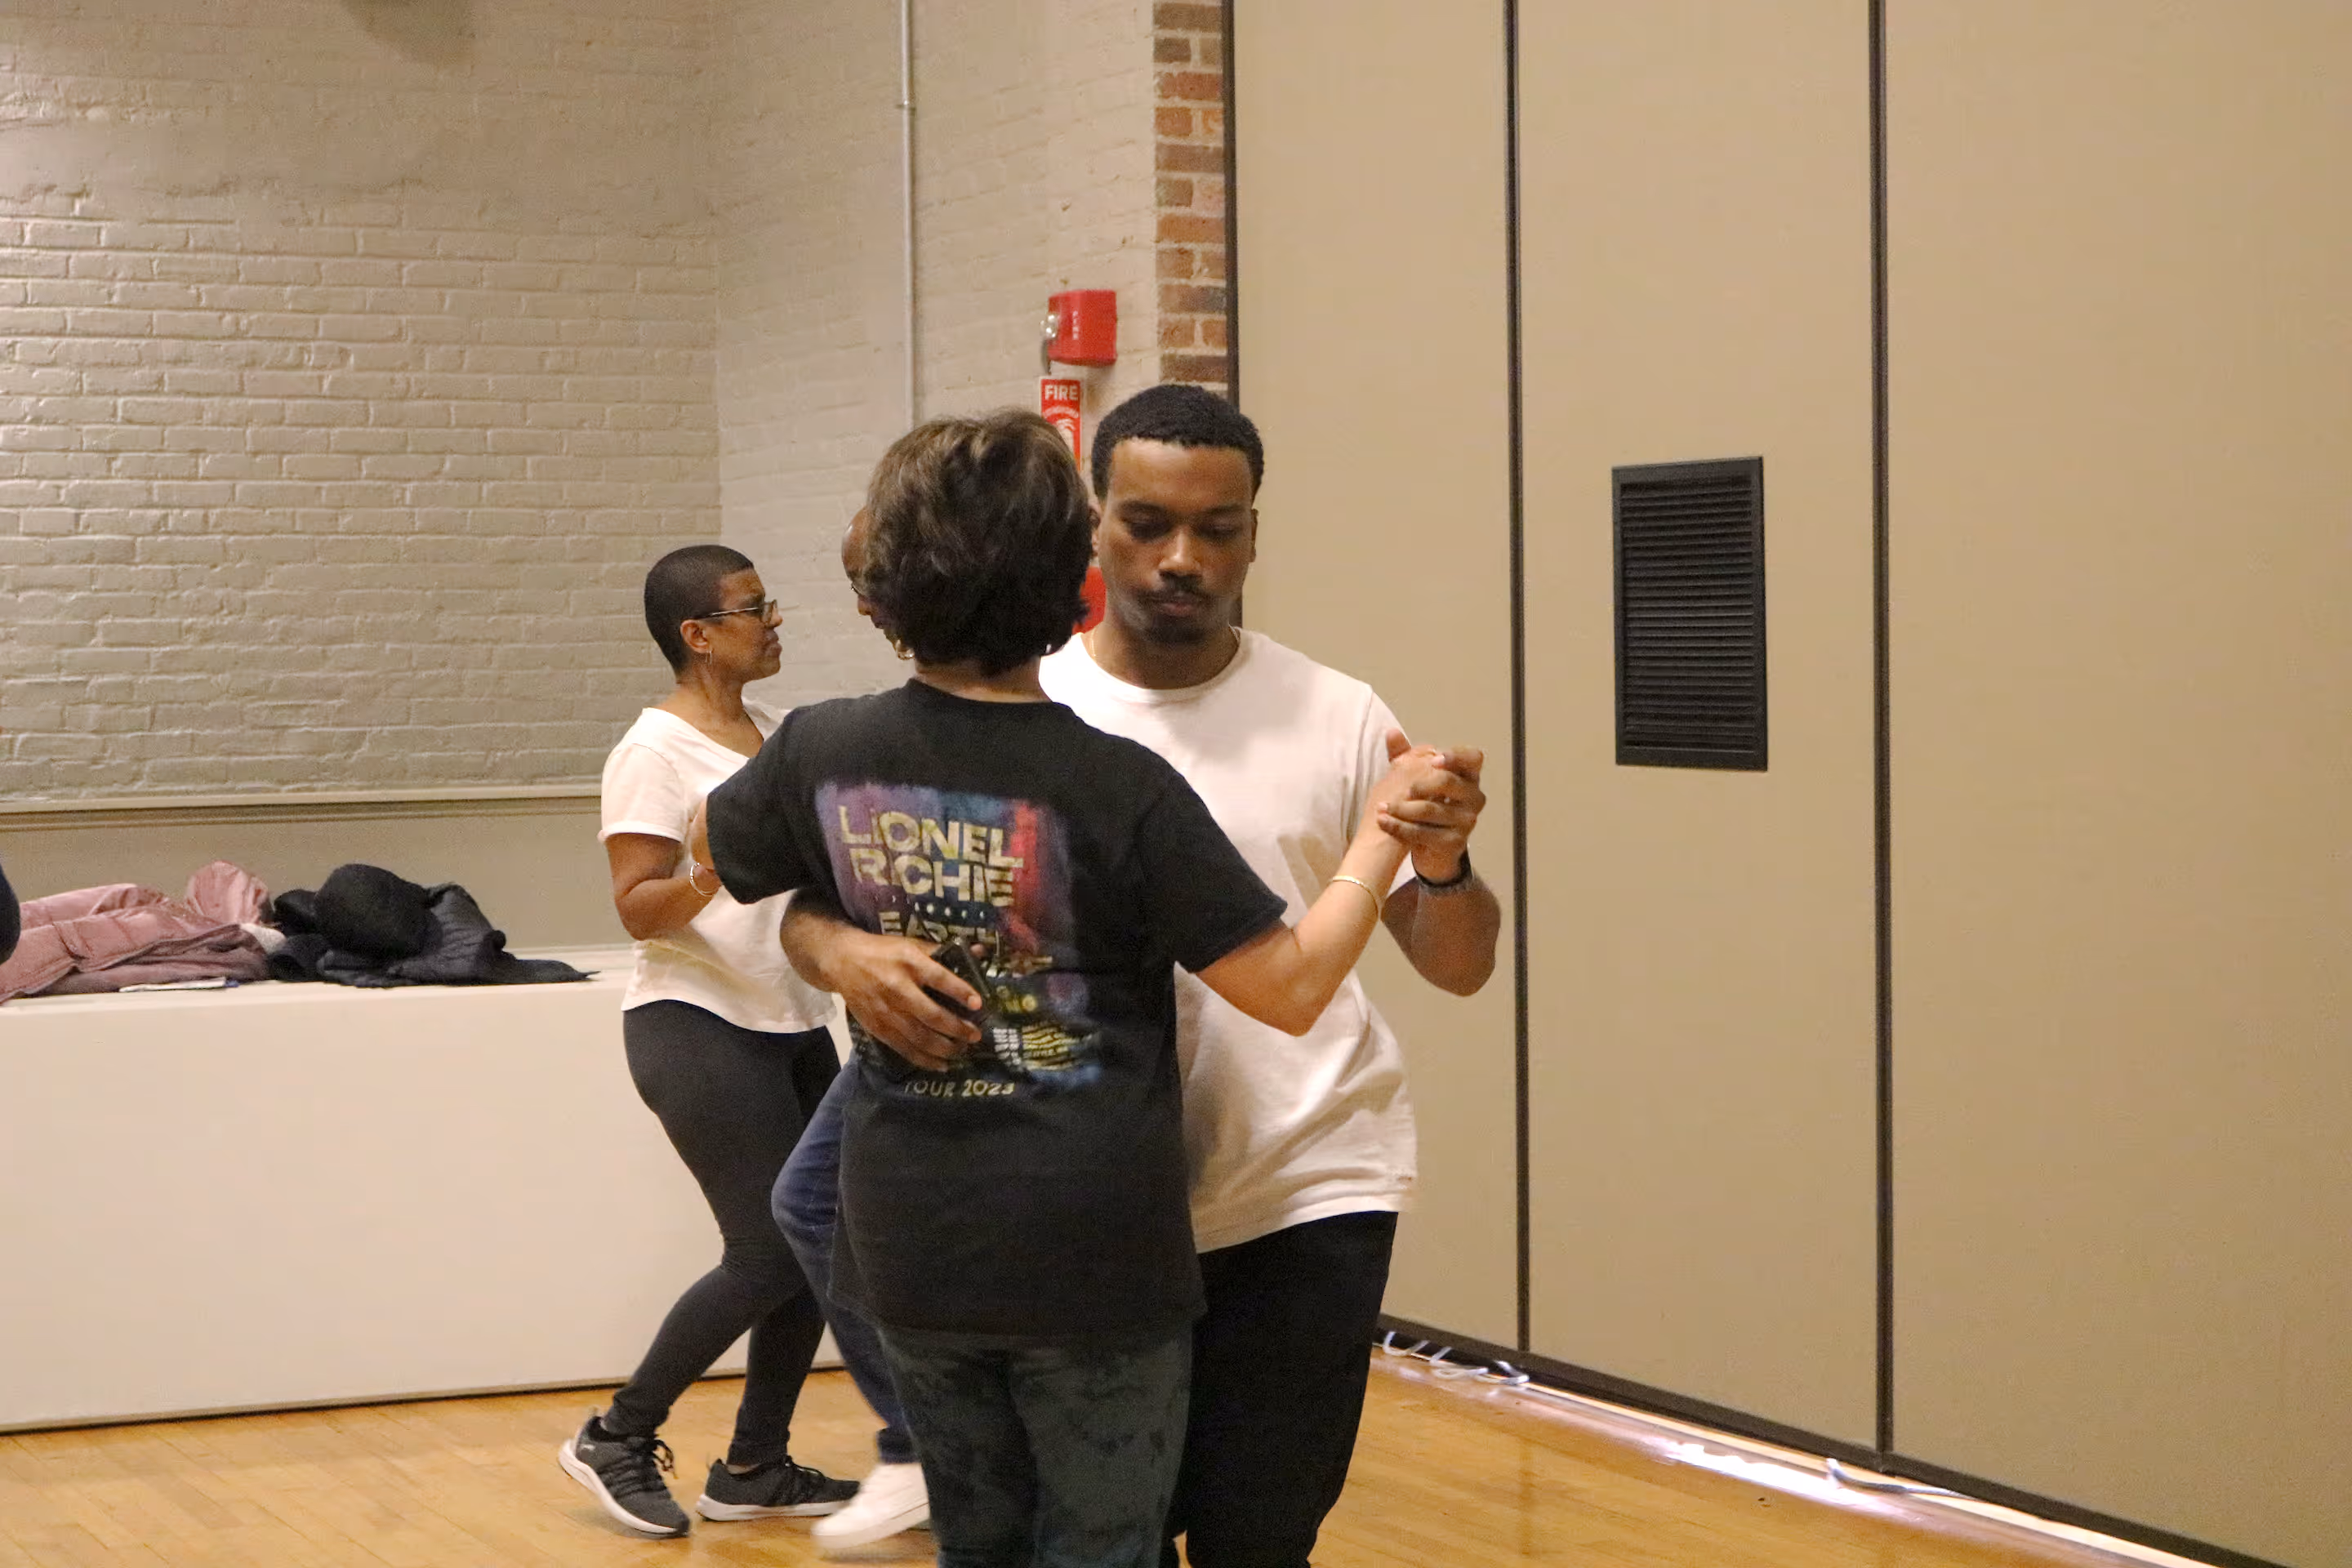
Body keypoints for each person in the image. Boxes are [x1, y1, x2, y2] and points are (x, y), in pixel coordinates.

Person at [692, 409, 1449, 1568]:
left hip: (924, 1245)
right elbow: (1291, 986)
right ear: (1076, 565)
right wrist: (1381, 836)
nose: (1179, 557)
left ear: (885, 587)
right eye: (1141, 526)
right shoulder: (1117, 783)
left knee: (988, 1544)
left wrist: (853, 909)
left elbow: (712, 846)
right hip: (1095, 1249)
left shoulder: (821, 749)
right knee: (1104, 1547)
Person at [559, 544, 858, 1539]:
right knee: (769, 1249)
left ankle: (755, 1468)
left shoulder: (772, 731)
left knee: (819, 1244)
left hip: (791, 1018)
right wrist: (710, 866)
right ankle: (616, 1433)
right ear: (698, 634)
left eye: (769, 604)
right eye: (752, 608)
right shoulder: (652, 752)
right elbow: (638, 907)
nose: (773, 621)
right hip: (695, 1023)